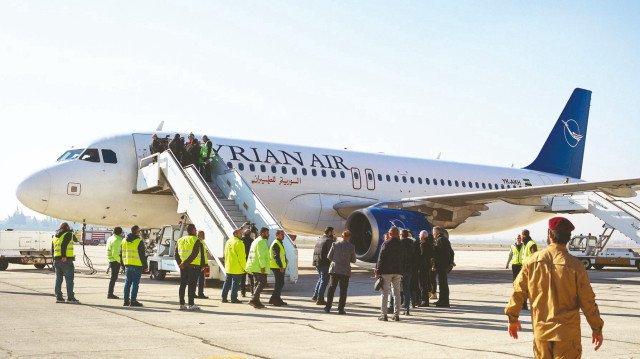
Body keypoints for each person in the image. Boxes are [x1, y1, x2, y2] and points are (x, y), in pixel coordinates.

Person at [506, 217, 604, 358]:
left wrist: (513, 319)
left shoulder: (531, 262)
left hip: (541, 333)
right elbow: (588, 300)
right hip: (567, 334)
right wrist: (597, 329)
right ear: (568, 238)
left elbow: (518, 292)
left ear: (549, 235)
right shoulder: (576, 266)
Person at [323, 230, 356, 314]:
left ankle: (328, 307)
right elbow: (353, 260)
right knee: (343, 290)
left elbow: (329, 256)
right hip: (345, 271)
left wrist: (335, 261)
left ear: (342, 236)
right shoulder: (351, 247)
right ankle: (341, 309)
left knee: (331, 289)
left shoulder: (335, 244)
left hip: (335, 270)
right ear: (349, 237)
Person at [375, 226, 405, 321]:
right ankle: (396, 315)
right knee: (397, 294)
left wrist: (378, 271)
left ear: (390, 234)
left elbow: (381, 258)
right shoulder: (401, 244)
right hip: (398, 272)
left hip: (386, 271)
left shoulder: (386, 243)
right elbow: (404, 259)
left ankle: (384, 315)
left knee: (385, 293)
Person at [175, 225, 205, 310]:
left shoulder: (180, 240)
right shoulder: (196, 240)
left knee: (182, 285)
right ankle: (191, 304)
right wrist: (184, 263)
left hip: (183, 267)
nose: (196, 231)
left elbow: (176, 254)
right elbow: (194, 254)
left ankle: (181, 304)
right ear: (192, 230)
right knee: (191, 286)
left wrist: (180, 264)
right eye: (195, 229)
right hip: (193, 266)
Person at [120, 225, 148, 307]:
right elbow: (142, 255)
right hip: (137, 264)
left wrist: (122, 264)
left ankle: (125, 301)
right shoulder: (139, 241)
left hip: (127, 264)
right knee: (135, 283)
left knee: (127, 283)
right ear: (137, 232)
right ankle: (133, 301)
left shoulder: (124, 240)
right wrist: (145, 266)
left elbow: (121, 253)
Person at [52, 222, 80, 303]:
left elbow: (53, 248)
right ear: (67, 227)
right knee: (69, 279)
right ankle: (70, 297)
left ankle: (59, 297)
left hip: (56, 260)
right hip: (66, 260)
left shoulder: (55, 236)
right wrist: (64, 256)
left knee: (58, 279)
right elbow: (64, 245)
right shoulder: (68, 234)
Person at [246, 227, 270, 309]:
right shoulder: (261, 242)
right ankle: (253, 299)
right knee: (262, 282)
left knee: (257, 283)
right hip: (258, 267)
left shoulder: (256, 240)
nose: (268, 235)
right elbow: (261, 256)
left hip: (254, 266)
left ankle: (257, 301)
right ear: (262, 233)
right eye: (267, 233)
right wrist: (263, 266)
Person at [221, 229, 246, 304]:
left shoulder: (228, 241)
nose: (242, 235)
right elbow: (241, 257)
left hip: (229, 266)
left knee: (227, 282)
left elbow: (225, 253)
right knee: (235, 283)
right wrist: (245, 267)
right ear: (235, 234)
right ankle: (233, 298)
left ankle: (224, 297)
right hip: (237, 267)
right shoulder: (239, 243)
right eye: (240, 233)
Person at [312, 227, 335, 305]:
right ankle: (320, 298)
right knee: (324, 281)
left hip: (317, 262)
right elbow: (331, 253)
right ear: (329, 233)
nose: (334, 234)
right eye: (333, 232)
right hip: (324, 263)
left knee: (321, 279)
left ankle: (316, 295)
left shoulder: (319, 239)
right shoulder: (329, 240)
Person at [432, 226, 454, 307]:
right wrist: (450, 262)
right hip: (444, 264)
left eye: (434, 232)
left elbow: (439, 254)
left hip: (441, 265)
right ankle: (441, 300)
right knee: (442, 284)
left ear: (437, 232)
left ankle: (444, 302)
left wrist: (435, 264)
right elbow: (451, 252)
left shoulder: (440, 240)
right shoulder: (443, 239)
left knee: (443, 284)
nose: (433, 233)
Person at [506, 234, 526, 310]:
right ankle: (515, 300)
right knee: (515, 283)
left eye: (520, 238)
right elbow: (510, 255)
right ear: (515, 239)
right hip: (514, 266)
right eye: (517, 238)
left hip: (521, 265)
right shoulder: (512, 246)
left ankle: (521, 303)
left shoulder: (524, 246)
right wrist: (507, 263)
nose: (519, 239)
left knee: (521, 283)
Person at [269, 229, 288, 306]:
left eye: (283, 234)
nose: (283, 236)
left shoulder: (279, 242)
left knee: (280, 283)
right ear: (277, 235)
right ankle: (273, 298)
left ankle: (277, 298)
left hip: (279, 266)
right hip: (276, 267)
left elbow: (280, 254)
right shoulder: (276, 243)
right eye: (282, 234)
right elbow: (276, 256)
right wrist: (281, 266)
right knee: (279, 283)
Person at [417, 230, 435, 307]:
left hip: (423, 267)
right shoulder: (430, 244)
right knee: (426, 283)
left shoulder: (423, 245)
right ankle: (425, 300)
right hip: (428, 267)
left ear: (421, 236)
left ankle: (424, 301)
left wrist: (419, 267)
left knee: (422, 284)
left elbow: (422, 258)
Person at [521, 229, 537, 310]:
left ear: (524, 236)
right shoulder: (526, 244)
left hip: (530, 269)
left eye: (522, 235)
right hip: (525, 268)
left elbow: (534, 256)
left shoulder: (531, 244)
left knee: (530, 288)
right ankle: (524, 305)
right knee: (524, 288)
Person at [106, 227, 124, 299]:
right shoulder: (117, 240)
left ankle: (110, 293)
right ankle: (110, 294)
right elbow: (116, 254)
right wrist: (121, 263)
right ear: (120, 233)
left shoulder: (110, 238)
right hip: (115, 261)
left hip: (111, 260)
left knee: (113, 278)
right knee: (113, 278)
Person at [240, 228, 254, 297]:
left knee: (243, 278)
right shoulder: (252, 240)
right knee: (251, 278)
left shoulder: (241, 240)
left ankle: (243, 293)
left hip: (244, 261)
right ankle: (252, 292)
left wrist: (242, 227)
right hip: (249, 261)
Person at [196, 231, 208, 299]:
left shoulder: (199, 241)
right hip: (200, 264)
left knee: (196, 280)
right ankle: (200, 294)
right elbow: (202, 255)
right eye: (202, 234)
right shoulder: (200, 242)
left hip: (198, 263)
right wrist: (203, 265)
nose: (204, 235)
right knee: (200, 280)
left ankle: (195, 293)